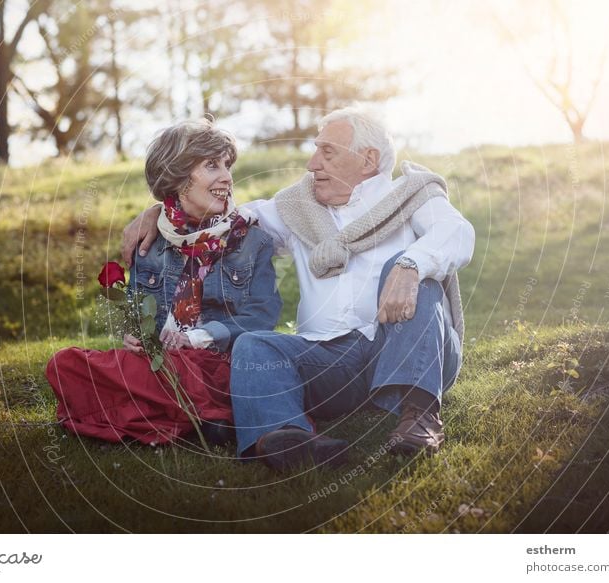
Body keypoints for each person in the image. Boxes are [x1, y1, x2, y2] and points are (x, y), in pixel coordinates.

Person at [122, 108, 474, 469]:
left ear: (367, 160)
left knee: (414, 272)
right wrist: (157, 211)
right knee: (254, 344)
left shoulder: (413, 194)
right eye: (314, 150)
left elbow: (457, 233)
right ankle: (283, 438)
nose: (312, 163)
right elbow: (224, 220)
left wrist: (410, 265)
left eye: (327, 152)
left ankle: (420, 414)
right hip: (333, 362)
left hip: (407, 347)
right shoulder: (298, 207)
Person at [46, 119, 282, 447]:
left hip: (220, 363)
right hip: (162, 364)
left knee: (198, 372)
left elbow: (262, 318)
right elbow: (138, 309)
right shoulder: (149, 242)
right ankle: (205, 416)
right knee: (65, 364)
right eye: (212, 165)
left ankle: (182, 413)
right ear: (177, 176)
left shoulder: (252, 240)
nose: (227, 176)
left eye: (227, 165)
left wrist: (195, 338)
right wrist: (136, 336)